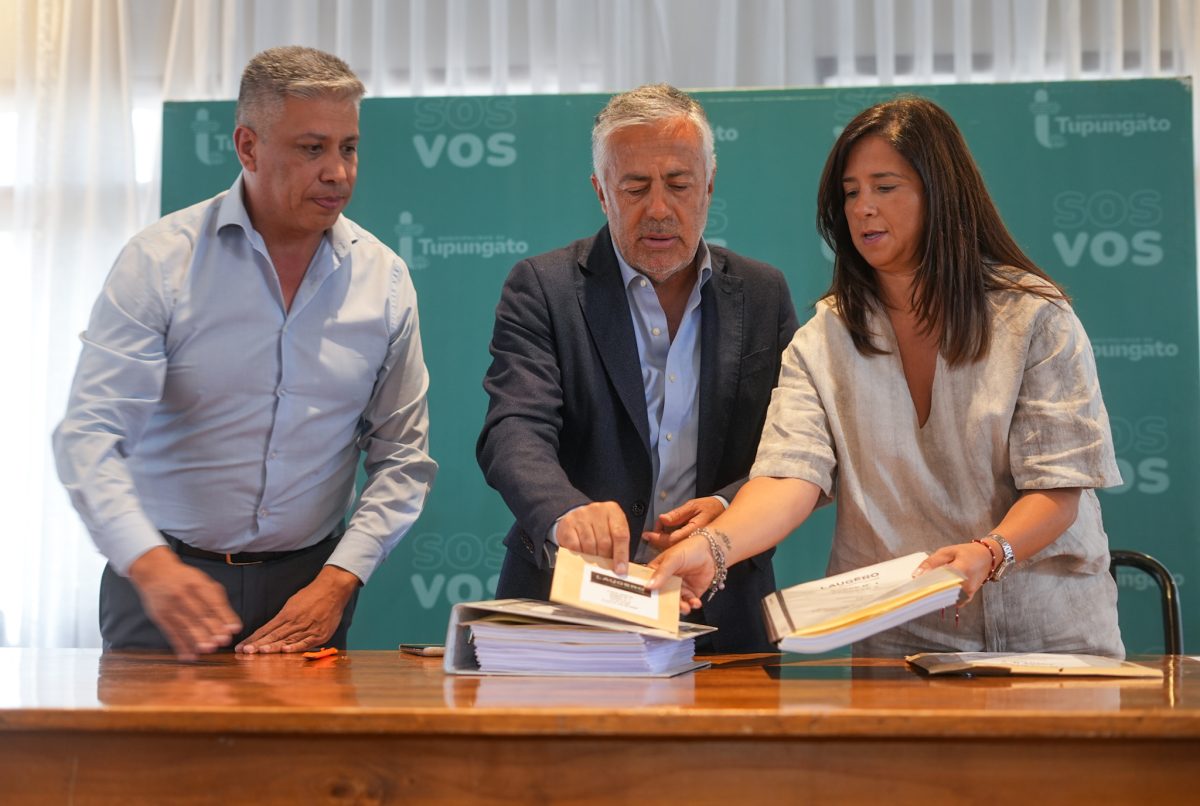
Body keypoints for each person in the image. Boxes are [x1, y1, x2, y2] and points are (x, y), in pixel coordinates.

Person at [647, 96, 1125, 658]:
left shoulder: (1034, 318)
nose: (863, 208)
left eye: (885, 187)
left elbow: (1059, 489)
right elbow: (787, 477)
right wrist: (713, 546)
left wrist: (990, 552)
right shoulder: (824, 338)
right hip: (899, 639)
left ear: (941, 193)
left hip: (1046, 634)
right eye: (851, 193)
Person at [53, 46, 437, 659]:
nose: (338, 172)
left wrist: (339, 582)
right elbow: (89, 436)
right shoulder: (160, 262)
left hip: (308, 592)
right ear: (248, 147)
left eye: (348, 147)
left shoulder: (384, 280)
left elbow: (403, 458)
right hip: (163, 587)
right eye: (312, 148)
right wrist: (150, 566)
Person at [477, 84, 799, 653]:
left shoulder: (762, 292)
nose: (658, 209)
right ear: (601, 191)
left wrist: (728, 505)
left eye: (678, 184)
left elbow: (792, 448)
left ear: (709, 186)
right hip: (571, 602)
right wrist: (566, 511)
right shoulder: (544, 288)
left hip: (724, 608)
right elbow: (514, 430)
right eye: (634, 188)